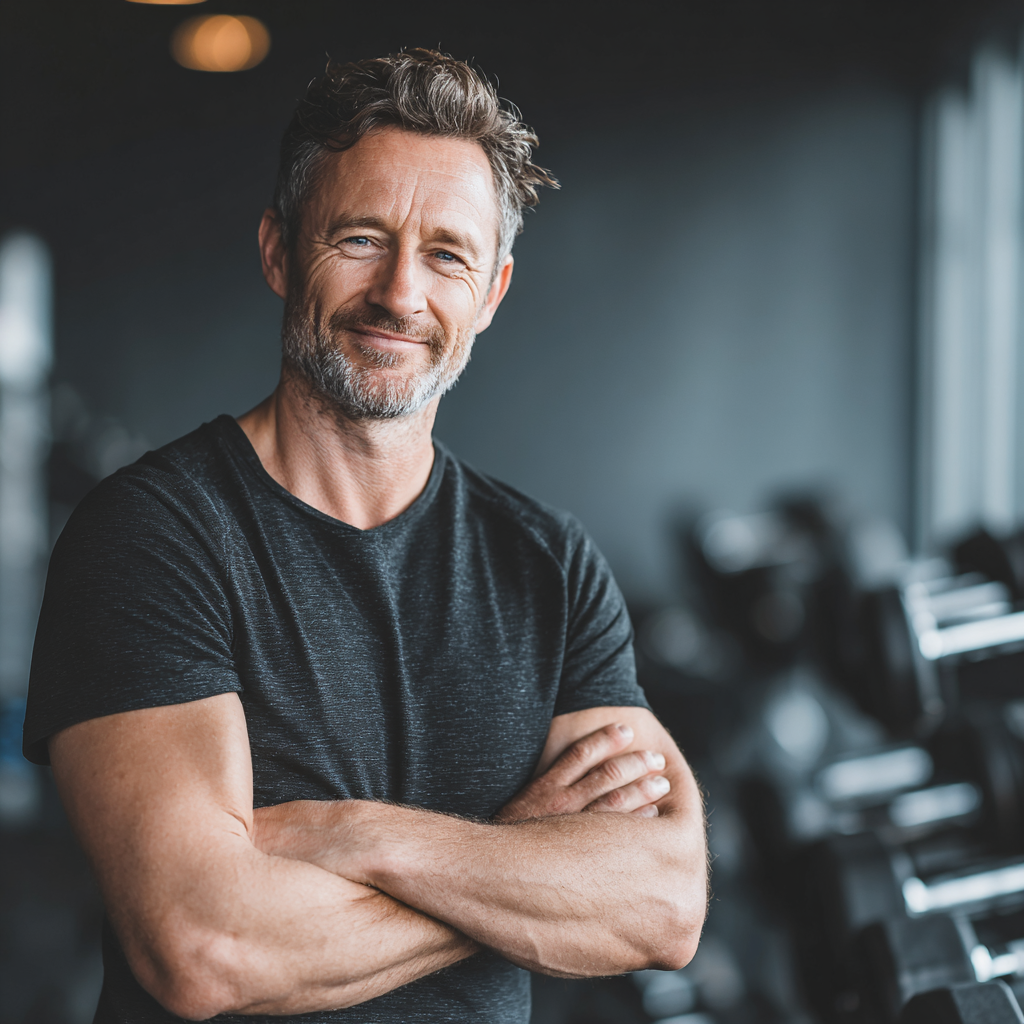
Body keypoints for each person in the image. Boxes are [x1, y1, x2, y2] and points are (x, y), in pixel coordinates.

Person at [23, 49, 707, 1023]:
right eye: (359, 237)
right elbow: (204, 945)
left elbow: (662, 904)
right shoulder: (150, 537)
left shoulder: (547, 564)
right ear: (276, 248)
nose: (399, 293)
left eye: (446, 255)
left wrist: (348, 835)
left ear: (493, 293)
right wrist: (517, 856)